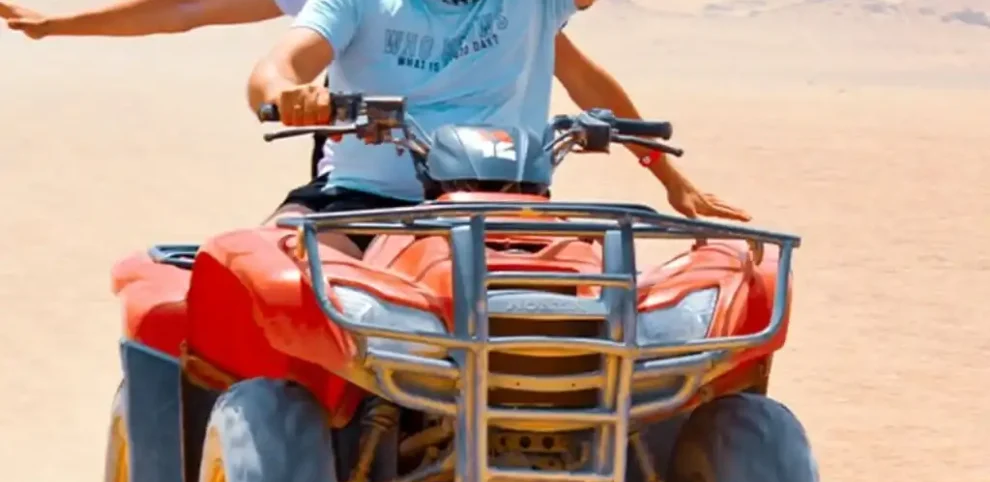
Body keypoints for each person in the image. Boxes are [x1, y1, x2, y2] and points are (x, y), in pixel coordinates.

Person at [2, 0, 750, 256]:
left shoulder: (528, 6)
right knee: (262, 288)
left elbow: (586, 83)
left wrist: (669, 172)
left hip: (511, 211)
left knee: (629, 305)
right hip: (362, 203)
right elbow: (232, 35)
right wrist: (284, 95)